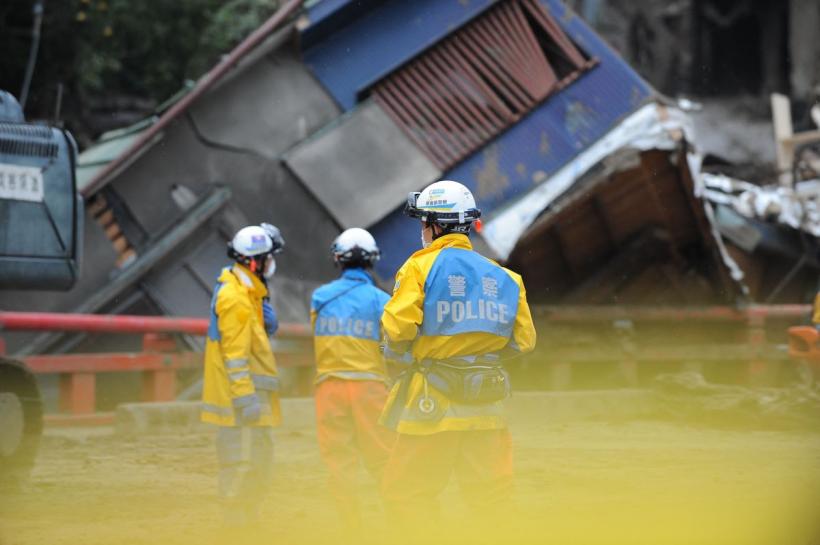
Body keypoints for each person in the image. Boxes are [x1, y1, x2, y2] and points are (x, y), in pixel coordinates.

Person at [379, 180, 536, 528]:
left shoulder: (418, 268)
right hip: (487, 408)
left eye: (423, 222)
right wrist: (478, 354)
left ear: (434, 225)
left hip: (432, 407)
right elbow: (524, 341)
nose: (422, 230)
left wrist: (406, 351)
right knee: (493, 499)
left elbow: (397, 329)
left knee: (409, 495)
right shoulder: (507, 278)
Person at [310, 228, 395, 532]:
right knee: (384, 458)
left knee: (339, 462)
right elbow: (391, 345)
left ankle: (350, 530)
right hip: (369, 387)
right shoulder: (380, 300)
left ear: (338, 259)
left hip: (329, 387)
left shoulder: (319, 298)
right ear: (372, 260)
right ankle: (397, 525)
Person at [201, 223, 285, 526]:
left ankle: (245, 520)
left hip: (247, 397)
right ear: (254, 261)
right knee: (242, 464)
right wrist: (245, 398)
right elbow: (234, 356)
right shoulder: (236, 298)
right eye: (268, 257)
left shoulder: (247, 294)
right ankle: (237, 527)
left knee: (256, 462)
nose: (271, 263)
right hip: (242, 400)